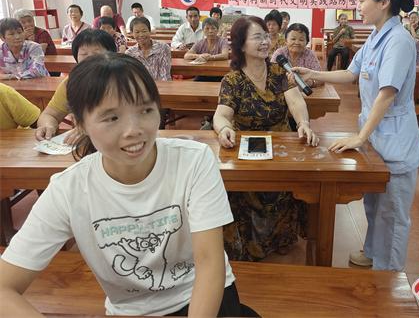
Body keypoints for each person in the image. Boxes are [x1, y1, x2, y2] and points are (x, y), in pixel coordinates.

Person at [0, 53, 240, 317]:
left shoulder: (193, 160)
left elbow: (209, 262)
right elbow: (4, 288)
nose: (134, 130)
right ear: (80, 125)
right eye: (112, 118)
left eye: (145, 110)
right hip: (131, 310)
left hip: (201, 296)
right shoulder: (69, 190)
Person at [293, 0, 419, 271]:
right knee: (375, 204)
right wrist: (313, 73)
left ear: (383, 2)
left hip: (394, 140)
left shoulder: (399, 41)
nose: (357, 6)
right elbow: (351, 73)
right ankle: (373, 253)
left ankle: (388, 273)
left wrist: (360, 137)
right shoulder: (377, 36)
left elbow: (386, 95)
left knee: (393, 213)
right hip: (376, 136)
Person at [213, 16, 318, 261]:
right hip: (246, 149)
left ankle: (281, 238)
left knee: (290, 184)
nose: (264, 42)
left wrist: (303, 123)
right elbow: (221, 114)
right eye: (257, 37)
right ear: (241, 44)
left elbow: (296, 102)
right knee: (241, 190)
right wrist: (224, 128)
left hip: (280, 146)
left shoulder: (280, 72)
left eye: (265, 36)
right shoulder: (233, 80)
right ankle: (247, 242)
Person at [35, 29, 118, 144]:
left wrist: (90, 130)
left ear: (112, 55)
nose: (89, 58)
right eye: (84, 54)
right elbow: (50, 114)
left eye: (97, 53)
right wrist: (48, 126)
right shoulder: (71, 82)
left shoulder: (123, 80)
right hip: (83, 146)